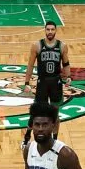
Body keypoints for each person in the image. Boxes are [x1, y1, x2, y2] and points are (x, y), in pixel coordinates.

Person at [22, 21, 70, 150]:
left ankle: (54, 141)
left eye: (52, 29)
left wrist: (69, 76)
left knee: (55, 114)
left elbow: (66, 63)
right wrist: (27, 83)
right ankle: (26, 138)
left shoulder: (62, 46)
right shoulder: (37, 45)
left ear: (56, 30)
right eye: (47, 29)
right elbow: (30, 65)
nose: (50, 32)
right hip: (42, 82)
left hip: (56, 83)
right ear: (44, 30)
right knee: (35, 114)